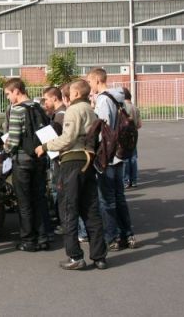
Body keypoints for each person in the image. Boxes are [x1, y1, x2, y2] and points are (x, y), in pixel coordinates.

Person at [35, 79, 107, 270]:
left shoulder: (74, 110)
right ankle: (99, 256)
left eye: (70, 93)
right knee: (91, 210)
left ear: (75, 94)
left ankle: (75, 256)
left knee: (68, 209)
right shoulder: (91, 110)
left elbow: (68, 138)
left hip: (72, 162)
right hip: (89, 161)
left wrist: (45, 146)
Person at [86, 67, 137, 251]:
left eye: (90, 82)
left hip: (107, 155)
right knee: (119, 197)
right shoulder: (118, 97)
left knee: (107, 200)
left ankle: (113, 237)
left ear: (97, 80)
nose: (89, 85)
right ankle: (128, 234)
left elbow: (103, 128)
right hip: (120, 153)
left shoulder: (103, 99)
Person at [3, 78, 49, 252]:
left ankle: (28, 240)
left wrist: (4, 150)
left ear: (16, 91)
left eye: (8, 94)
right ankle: (43, 237)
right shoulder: (38, 106)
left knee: (24, 202)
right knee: (39, 198)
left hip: (22, 162)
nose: (8, 98)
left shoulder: (17, 110)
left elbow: (13, 140)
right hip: (39, 158)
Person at [42, 86, 66, 236]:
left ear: (54, 98)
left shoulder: (61, 115)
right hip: (57, 158)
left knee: (61, 191)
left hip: (60, 159)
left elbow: (58, 139)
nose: (45, 102)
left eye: (46, 99)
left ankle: (64, 223)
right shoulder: (56, 114)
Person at [122, 87, 142, 188]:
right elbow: (139, 125)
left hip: (124, 134)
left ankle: (126, 180)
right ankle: (134, 180)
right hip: (134, 133)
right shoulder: (135, 107)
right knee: (133, 157)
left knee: (125, 158)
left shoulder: (123, 107)